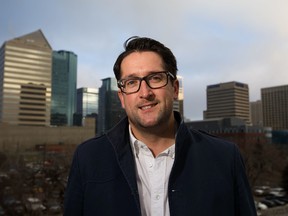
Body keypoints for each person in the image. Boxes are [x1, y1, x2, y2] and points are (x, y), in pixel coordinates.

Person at [64, 36, 257, 216]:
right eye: (131, 82)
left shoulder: (224, 156)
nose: (145, 92)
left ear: (174, 89)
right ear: (122, 98)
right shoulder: (88, 158)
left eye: (155, 78)